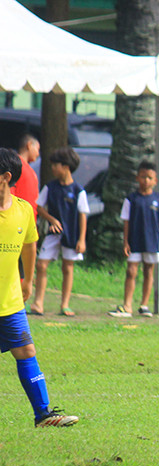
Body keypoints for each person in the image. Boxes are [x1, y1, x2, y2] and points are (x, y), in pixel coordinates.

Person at [0, 148, 79, 427]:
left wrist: (28, 280)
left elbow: (29, 246)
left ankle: (43, 414)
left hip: (9, 302)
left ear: (5, 178)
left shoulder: (23, 211)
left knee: (26, 351)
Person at [108, 160, 159, 318]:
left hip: (152, 240)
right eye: (143, 177)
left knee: (149, 270)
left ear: (155, 181)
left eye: (149, 178)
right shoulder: (131, 199)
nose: (146, 181)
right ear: (137, 178)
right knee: (131, 271)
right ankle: (127, 304)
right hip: (135, 240)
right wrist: (125, 242)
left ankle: (144, 304)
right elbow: (126, 222)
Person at [31, 147, 88, 317]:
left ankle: (65, 304)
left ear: (66, 167)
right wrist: (52, 220)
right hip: (53, 233)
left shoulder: (78, 191)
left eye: (55, 165)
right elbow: (39, 207)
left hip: (71, 234)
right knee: (41, 264)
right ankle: (38, 303)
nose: (53, 168)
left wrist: (82, 239)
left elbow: (83, 215)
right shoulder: (50, 187)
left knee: (67, 267)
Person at [11, 134, 40, 216]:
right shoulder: (16, 165)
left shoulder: (28, 167)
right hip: (19, 217)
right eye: (37, 149)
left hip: (28, 218)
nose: (38, 154)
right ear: (29, 145)